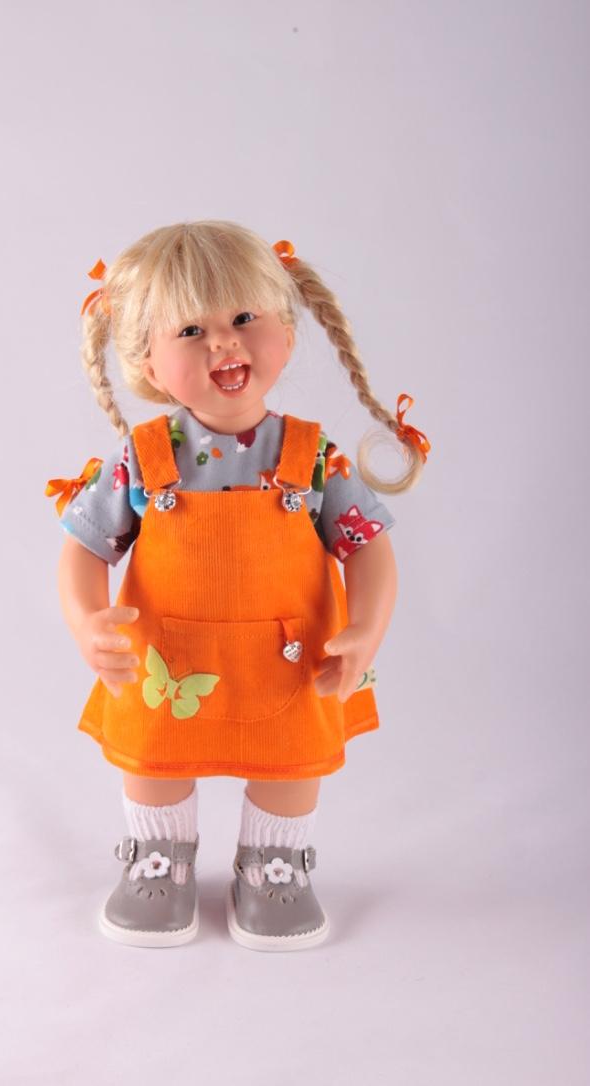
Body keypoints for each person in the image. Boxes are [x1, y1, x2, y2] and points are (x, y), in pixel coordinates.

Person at [45, 221, 430, 951]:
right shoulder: (143, 457)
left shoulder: (313, 457)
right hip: (167, 662)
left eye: (244, 318)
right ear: (148, 361)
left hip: (289, 657)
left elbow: (369, 550)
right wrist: (88, 620)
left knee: (289, 764)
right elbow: (84, 547)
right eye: (192, 330)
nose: (224, 343)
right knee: (155, 764)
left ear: (286, 329)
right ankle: (159, 861)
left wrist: (365, 630)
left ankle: (273, 866)